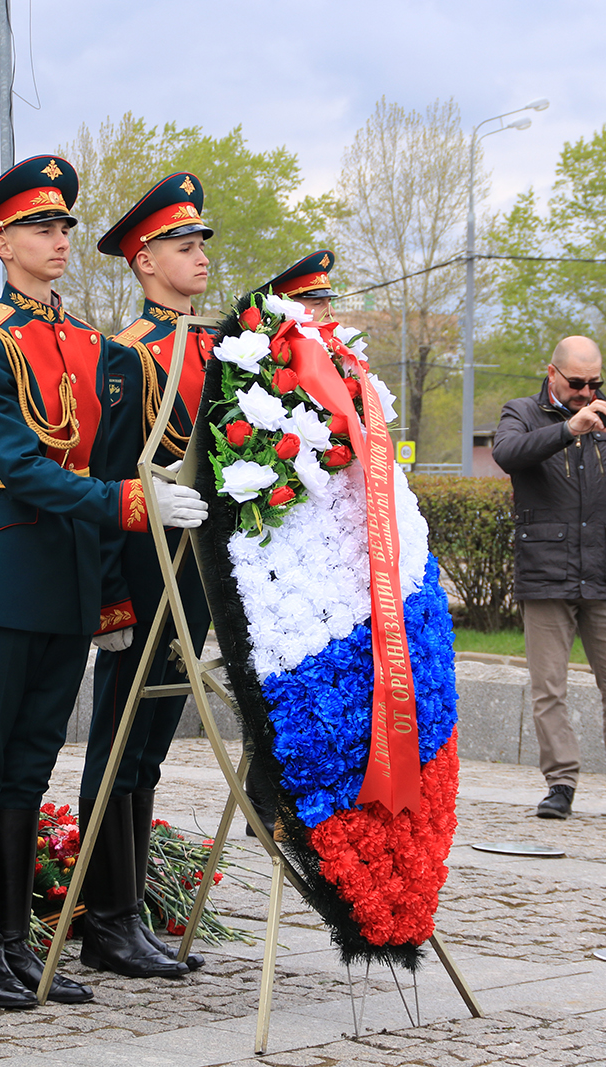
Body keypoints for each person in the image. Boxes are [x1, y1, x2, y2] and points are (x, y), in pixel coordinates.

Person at [0, 155, 208, 1009]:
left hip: (64, 578)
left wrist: (114, 576)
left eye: (63, 227)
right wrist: (131, 502)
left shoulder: (92, 344)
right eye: (42, 228)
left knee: (29, 768)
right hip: (4, 564)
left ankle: (17, 944)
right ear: (2, 240)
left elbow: (107, 451)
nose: (60, 240)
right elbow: (20, 465)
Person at [79, 172, 216, 978]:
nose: (198, 257)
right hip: (141, 569)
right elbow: (106, 479)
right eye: (182, 245)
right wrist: (109, 598)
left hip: (196, 575)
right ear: (143, 260)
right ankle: (107, 919)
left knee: (154, 748)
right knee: (118, 745)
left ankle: (129, 917)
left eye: (200, 244)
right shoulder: (126, 356)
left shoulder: (212, 348)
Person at [491, 336, 606, 824]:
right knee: (549, 689)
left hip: (605, 571)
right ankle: (561, 784)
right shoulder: (522, 413)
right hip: (546, 572)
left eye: (595, 383)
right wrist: (568, 429)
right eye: (577, 383)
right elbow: (508, 454)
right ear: (551, 373)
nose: (586, 391)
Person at [238, 250, 340, 838]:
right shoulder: (274, 366)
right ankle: (270, 802)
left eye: (327, 303)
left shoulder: (339, 364)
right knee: (280, 666)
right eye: (312, 303)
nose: (323, 313)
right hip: (282, 541)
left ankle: (316, 791)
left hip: (333, 546)